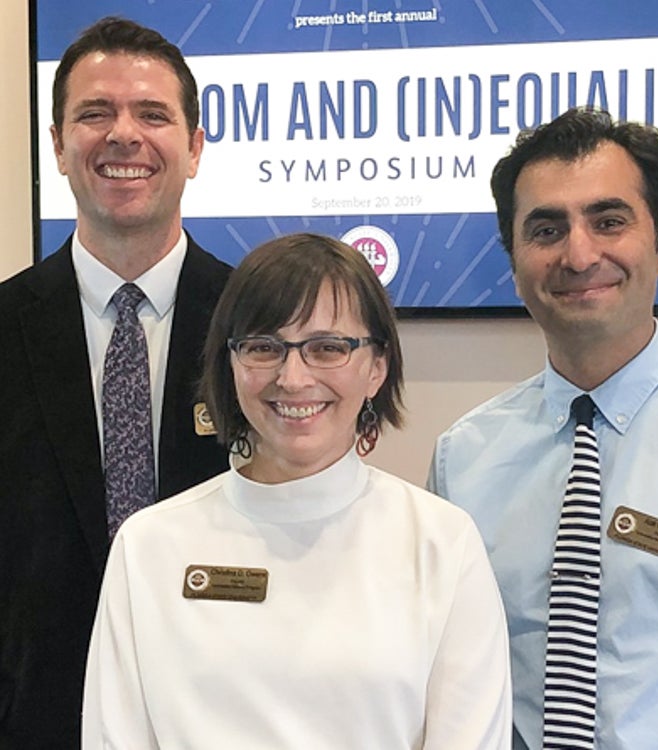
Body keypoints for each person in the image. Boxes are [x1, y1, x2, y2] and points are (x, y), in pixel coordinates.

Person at [82, 232, 512, 749]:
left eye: (327, 348)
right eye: (264, 347)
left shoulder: (443, 543)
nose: (292, 377)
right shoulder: (149, 545)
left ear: (377, 367)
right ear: (231, 364)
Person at [429, 107, 658, 749]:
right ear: (514, 259)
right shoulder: (462, 458)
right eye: (547, 229)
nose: (579, 254)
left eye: (608, 221)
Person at [0, 17, 231, 748]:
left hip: (226, 719)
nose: (122, 135)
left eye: (152, 114)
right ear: (58, 146)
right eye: (94, 113)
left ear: (194, 148)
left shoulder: (265, 330)